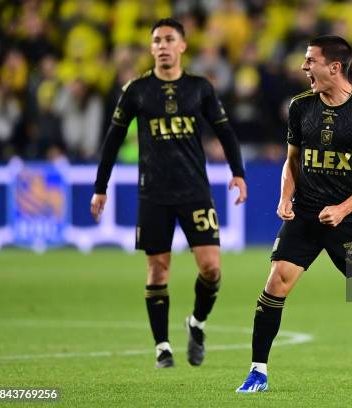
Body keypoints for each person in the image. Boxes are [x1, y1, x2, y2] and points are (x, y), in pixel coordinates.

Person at [236, 35, 352, 392]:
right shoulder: (301, 106)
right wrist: (286, 197)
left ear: (334, 67)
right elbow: (292, 161)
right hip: (305, 215)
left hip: (351, 221)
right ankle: (258, 372)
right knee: (275, 283)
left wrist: (344, 208)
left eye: (310, 61)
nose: (304, 67)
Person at [90, 18, 247, 369]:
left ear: (182, 46)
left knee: (211, 268)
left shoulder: (200, 88)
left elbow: (225, 132)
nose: (162, 45)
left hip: (195, 192)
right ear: (151, 48)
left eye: (169, 39)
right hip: (154, 194)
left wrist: (238, 172)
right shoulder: (136, 90)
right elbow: (112, 141)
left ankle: (196, 323)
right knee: (158, 270)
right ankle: (162, 346)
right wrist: (100, 188)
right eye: (156, 40)